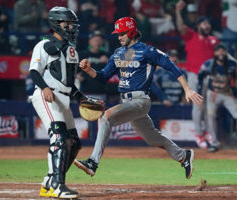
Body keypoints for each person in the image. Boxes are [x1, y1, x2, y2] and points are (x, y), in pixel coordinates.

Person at [74, 17, 203, 179]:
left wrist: (188, 89)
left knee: (105, 117)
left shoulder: (147, 51)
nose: (118, 37)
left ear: (131, 32)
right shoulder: (119, 53)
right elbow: (103, 76)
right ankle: (183, 155)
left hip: (141, 100)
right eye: (118, 34)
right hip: (127, 102)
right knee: (152, 138)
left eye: (121, 34)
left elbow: (172, 67)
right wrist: (89, 70)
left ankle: (92, 162)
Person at [29, 7, 85, 199]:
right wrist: (44, 88)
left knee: (74, 143)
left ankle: (50, 181)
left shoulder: (72, 50)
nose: (70, 27)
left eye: (72, 24)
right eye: (66, 24)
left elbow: (69, 82)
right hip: (47, 96)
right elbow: (34, 71)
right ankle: (57, 186)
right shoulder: (43, 45)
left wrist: (81, 98)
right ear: (55, 24)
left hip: (64, 98)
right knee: (59, 138)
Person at [175, 0, 219, 148]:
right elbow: (181, 28)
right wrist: (178, 11)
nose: (207, 26)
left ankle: (207, 133)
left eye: (208, 24)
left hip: (210, 77)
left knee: (209, 107)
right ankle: (199, 134)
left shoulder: (214, 40)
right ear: (198, 25)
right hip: (194, 76)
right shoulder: (191, 36)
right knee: (198, 106)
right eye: (204, 24)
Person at [198, 43, 237, 153]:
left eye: (223, 51)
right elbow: (200, 77)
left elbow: (236, 78)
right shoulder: (209, 64)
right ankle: (214, 143)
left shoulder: (231, 64)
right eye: (218, 51)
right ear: (215, 53)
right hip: (213, 94)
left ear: (226, 53)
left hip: (227, 93)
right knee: (211, 116)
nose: (221, 53)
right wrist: (200, 94)